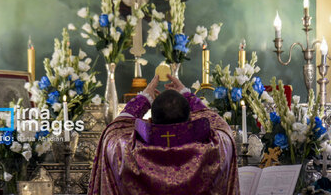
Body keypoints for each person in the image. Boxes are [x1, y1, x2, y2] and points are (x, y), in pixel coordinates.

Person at [88, 75, 239, 195]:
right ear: (190, 120)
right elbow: (220, 125)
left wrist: (143, 99)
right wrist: (188, 95)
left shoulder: (125, 150)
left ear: (150, 120)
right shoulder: (214, 148)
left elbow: (113, 130)